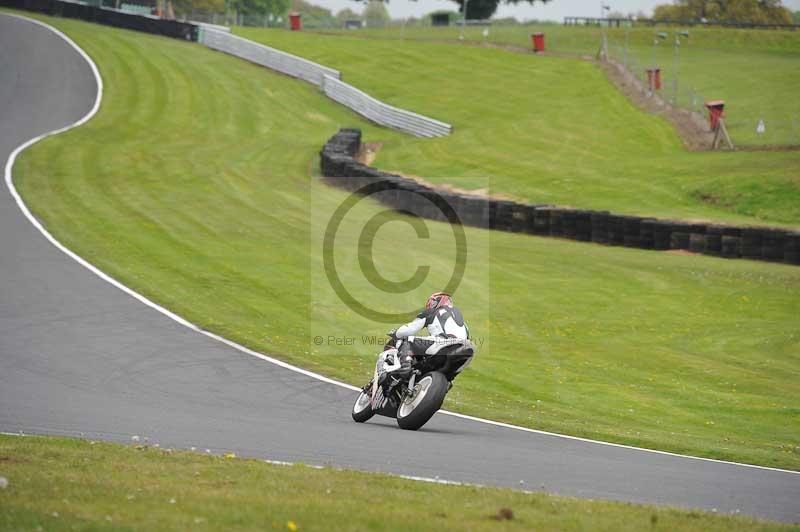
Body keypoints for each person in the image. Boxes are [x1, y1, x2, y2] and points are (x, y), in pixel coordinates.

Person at [389, 292, 469, 376]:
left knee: (408, 341)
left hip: (443, 343)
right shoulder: (464, 324)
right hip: (462, 349)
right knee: (449, 377)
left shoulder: (432, 312)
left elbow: (408, 330)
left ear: (436, 302)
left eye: (432, 302)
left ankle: (404, 369)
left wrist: (396, 333)